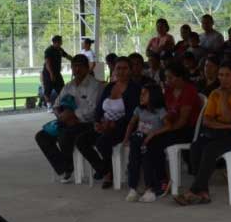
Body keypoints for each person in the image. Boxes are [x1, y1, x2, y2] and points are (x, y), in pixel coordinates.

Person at [174, 62, 231, 206]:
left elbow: (230, 118)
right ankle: (203, 192)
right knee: (196, 146)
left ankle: (194, 191)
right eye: (220, 75)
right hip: (222, 132)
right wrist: (224, 125)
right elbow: (206, 120)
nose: (223, 79)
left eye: (227, 75)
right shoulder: (215, 93)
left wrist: (224, 98)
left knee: (210, 149)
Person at [140, 62, 202, 201]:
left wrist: (160, 131)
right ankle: (158, 179)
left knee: (155, 141)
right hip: (171, 127)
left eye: (170, 78)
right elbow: (164, 112)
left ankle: (162, 181)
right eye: (166, 78)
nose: (167, 81)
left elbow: (182, 121)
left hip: (186, 130)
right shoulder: (168, 91)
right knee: (147, 140)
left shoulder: (189, 91)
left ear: (180, 77)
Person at [77, 56, 141, 189]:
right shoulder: (109, 87)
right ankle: (105, 170)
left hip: (123, 127)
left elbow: (132, 114)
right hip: (104, 124)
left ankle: (108, 174)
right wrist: (97, 122)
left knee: (102, 142)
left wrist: (112, 124)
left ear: (130, 70)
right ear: (114, 70)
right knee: (81, 140)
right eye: (118, 68)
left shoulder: (135, 89)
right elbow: (99, 108)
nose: (121, 71)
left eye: (125, 68)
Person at [36, 54, 102, 181]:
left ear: (87, 68)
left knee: (65, 135)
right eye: (74, 66)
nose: (77, 70)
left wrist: (73, 115)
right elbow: (56, 105)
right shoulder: (69, 86)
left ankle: (68, 168)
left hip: (86, 123)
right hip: (66, 120)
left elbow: (93, 110)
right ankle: (64, 167)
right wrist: (61, 116)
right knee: (41, 136)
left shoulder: (94, 85)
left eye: (80, 67)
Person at [124, 83, 169, 202]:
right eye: (141, 94)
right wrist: (126, 138)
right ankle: (133, 187)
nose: (141, 96)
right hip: (139, 140)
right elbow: (131, 124)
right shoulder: (139, 109)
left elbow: (169, 126)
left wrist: (153, 133)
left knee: (146, 153)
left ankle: (150, 188)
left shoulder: (160, 111)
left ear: (153, 96)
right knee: (134, 154)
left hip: (154, 140)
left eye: (144, 94)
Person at [41, 34, 72, 107]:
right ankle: (49, 106)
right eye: (60, 42)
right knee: (47, 90)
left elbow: (67, 56)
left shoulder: (60, 49)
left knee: (62, 89)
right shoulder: (49, 50)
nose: (61, 43)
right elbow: (47, 63)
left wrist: (74, 60)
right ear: (55, 42)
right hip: (48, 73)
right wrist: (51, 74)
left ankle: (61, 104)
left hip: (57, 73)